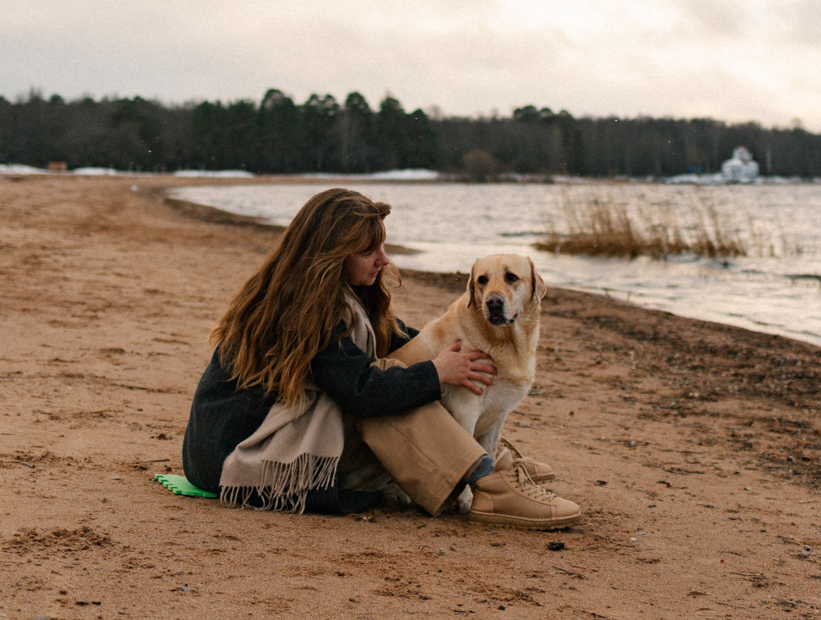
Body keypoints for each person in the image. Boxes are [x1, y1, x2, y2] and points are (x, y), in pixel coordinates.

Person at [181, 188, 579, 528]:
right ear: (332, 253)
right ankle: (487, 482)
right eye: (368, 250)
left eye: (382, 247)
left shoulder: (330, 294)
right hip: (240, 453)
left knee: (401, 372)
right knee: (390, 385)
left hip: (248, 439)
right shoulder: (305, 310)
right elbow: (361, 391)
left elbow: (396, 336)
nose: (384, 259)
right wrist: (436, 372)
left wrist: (450, 343)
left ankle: (488, 460)